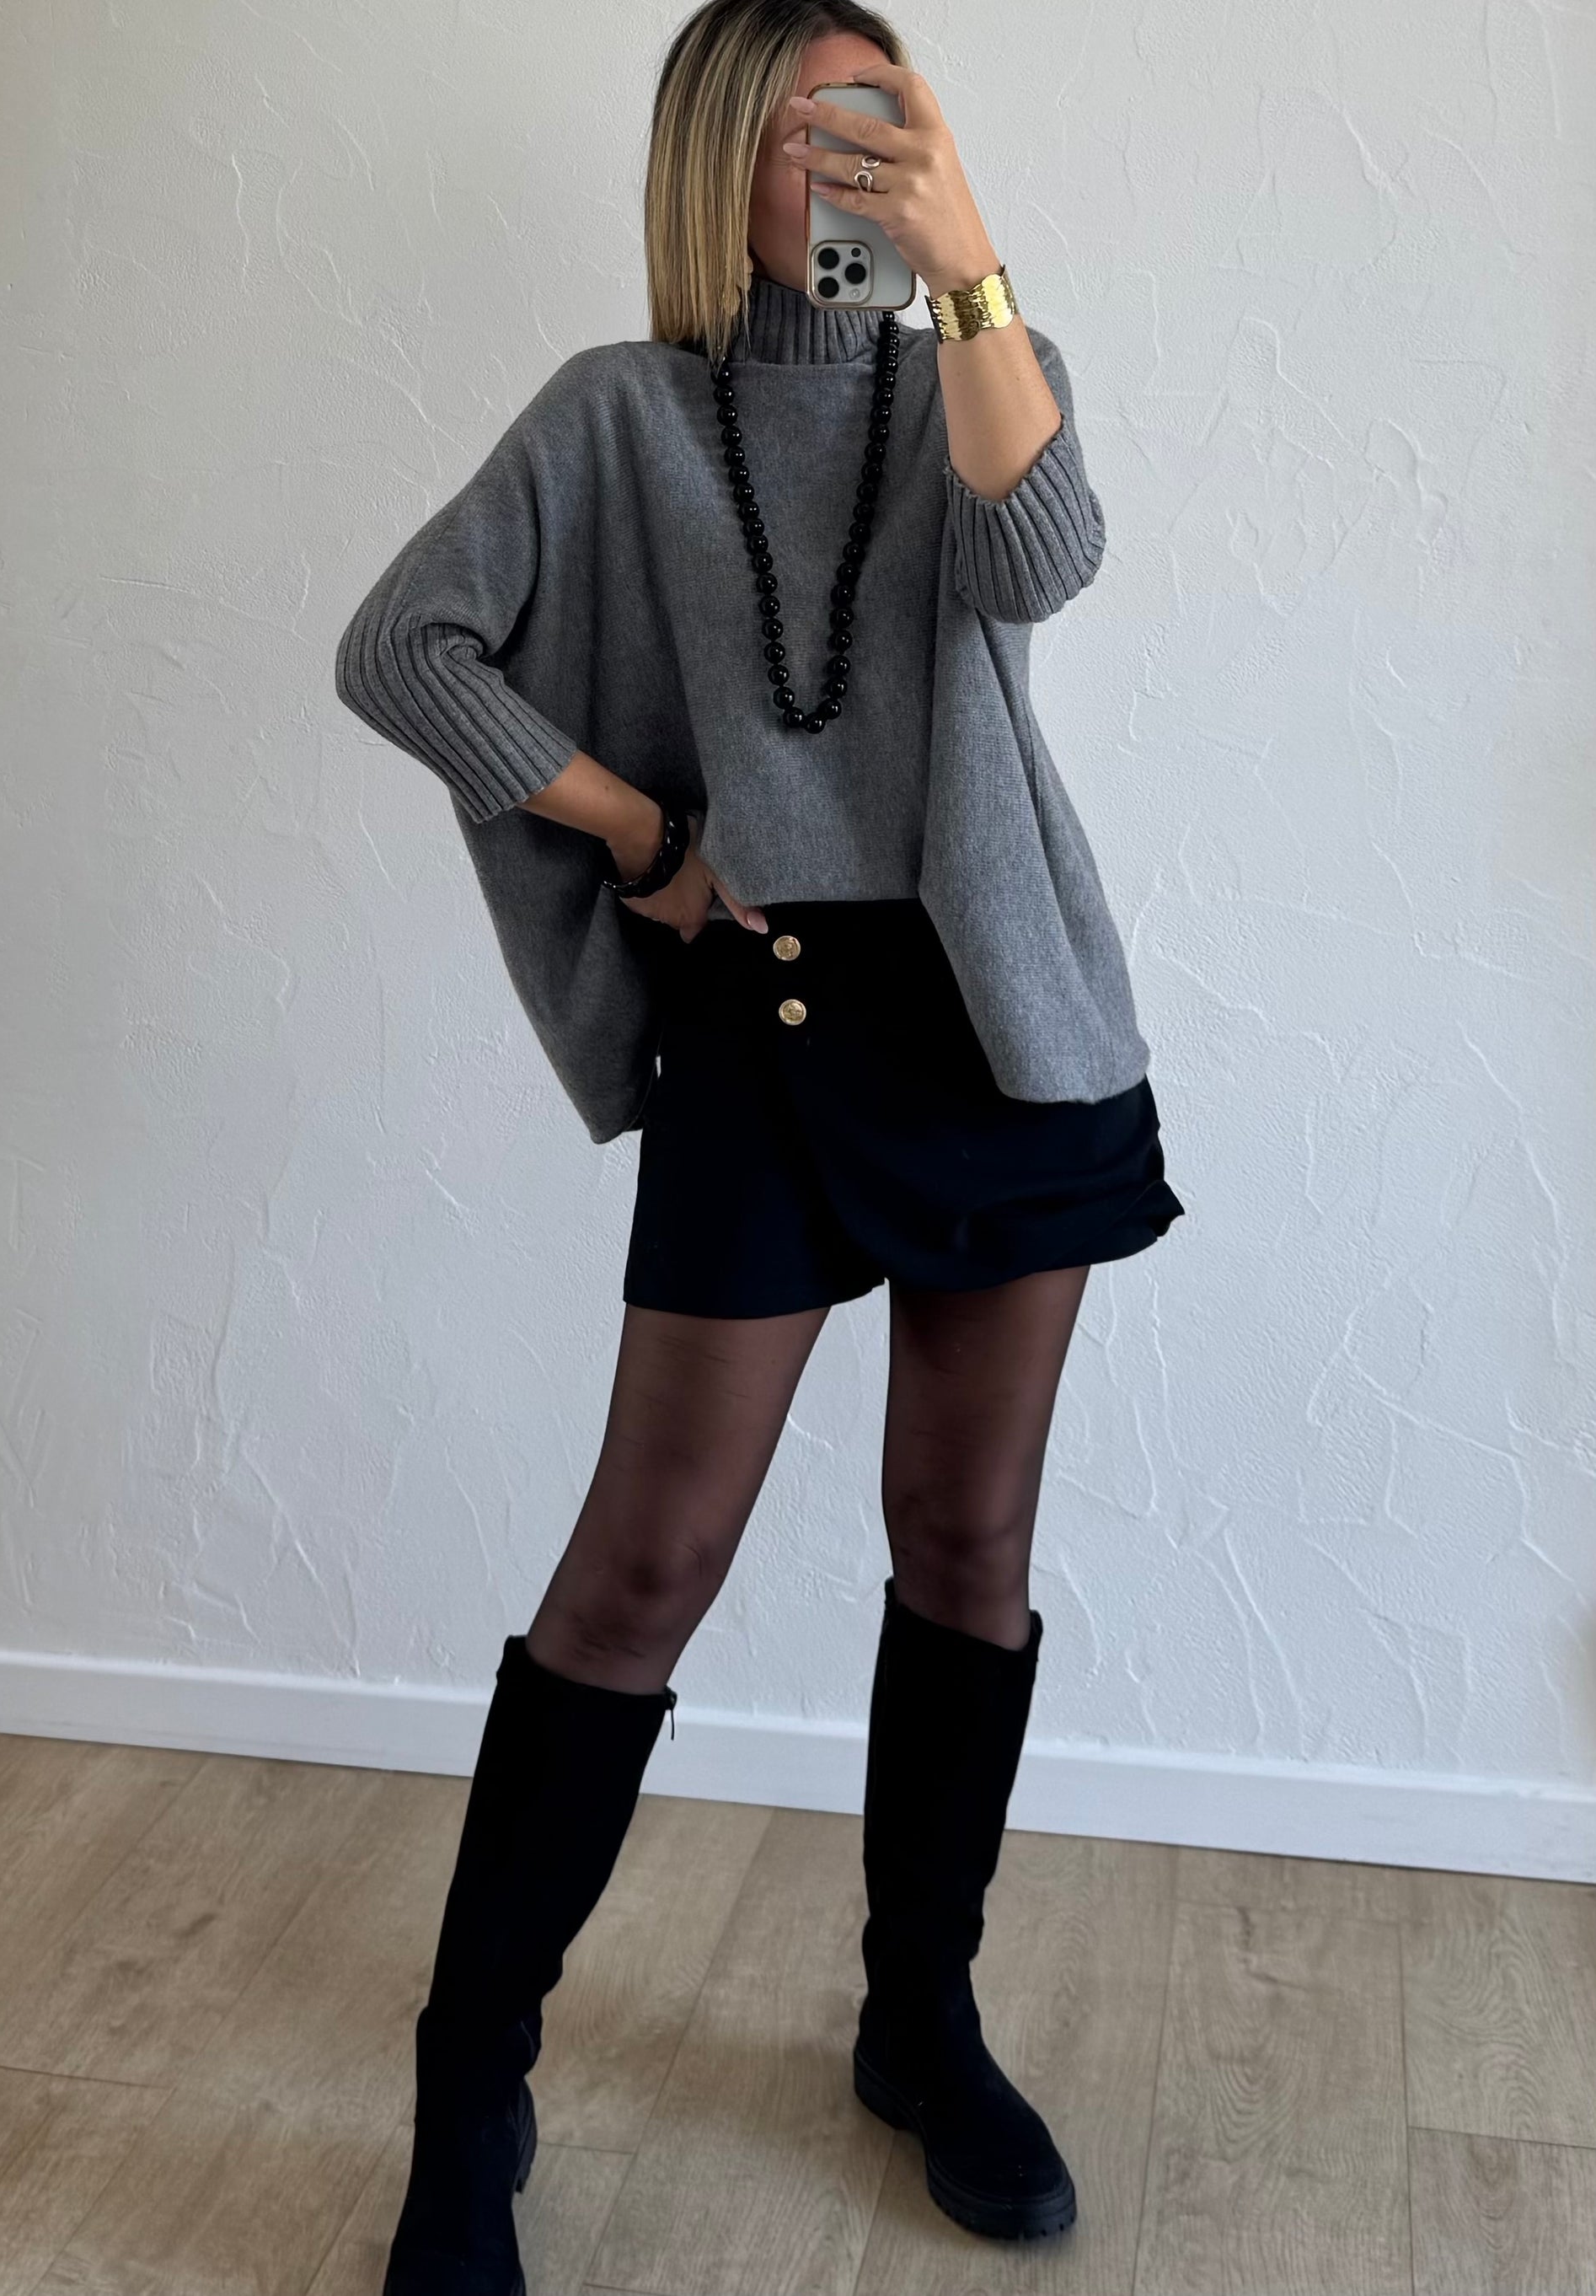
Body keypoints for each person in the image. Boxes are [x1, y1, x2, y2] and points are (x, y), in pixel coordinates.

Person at [335, 3, 1185, 2287]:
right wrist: (640, 831)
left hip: (999, 1031)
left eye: (890, 122)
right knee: (643, 1565)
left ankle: (920, 2019)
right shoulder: (614, 415)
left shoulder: (979, 372)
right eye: (820, 127)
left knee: (968, 1538)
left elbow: (1044, 557)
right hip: (765, 1022)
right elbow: (403, 650)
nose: (859, 166)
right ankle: (470, 2082)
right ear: (723, 156)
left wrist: (972, 269)